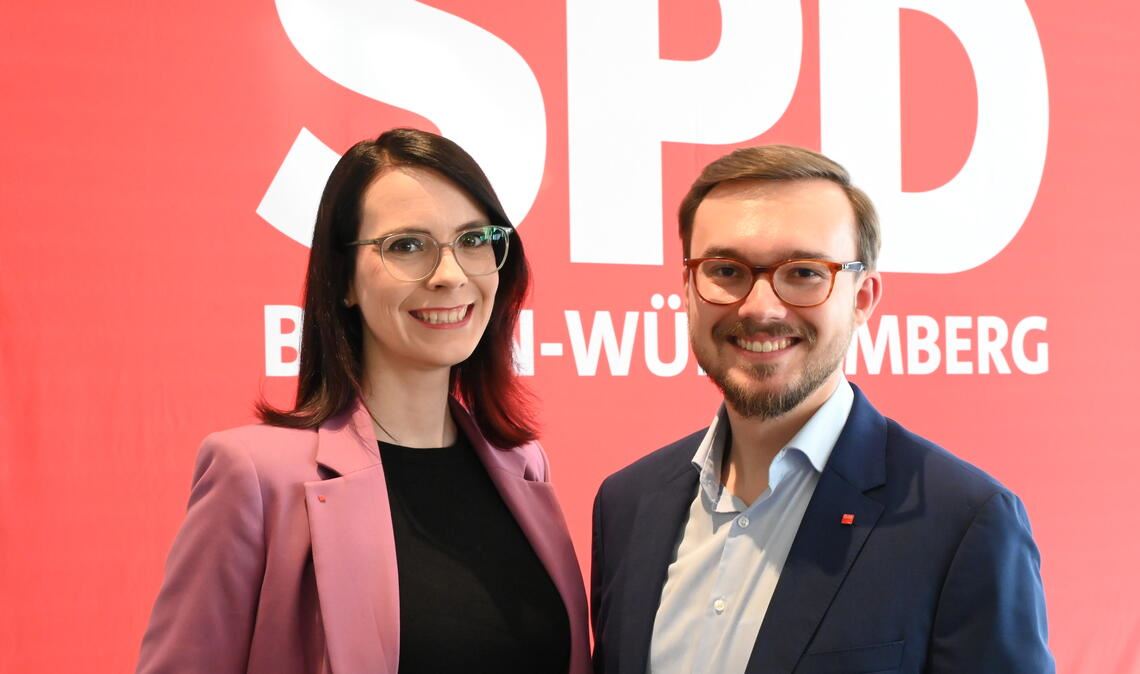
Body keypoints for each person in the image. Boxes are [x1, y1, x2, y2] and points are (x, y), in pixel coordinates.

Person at [137, 128, 590, 674]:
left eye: (473, 239)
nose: (450, 275)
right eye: (406, 245)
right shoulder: (256, 477)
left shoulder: (525, 466)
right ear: (345, 280)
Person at [590, 145, 1053, 674]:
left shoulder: (964, 524)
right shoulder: (626, 505)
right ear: (688, 289)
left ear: (862, 299)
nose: (760, 307)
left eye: (805, 273)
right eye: (725, 269)